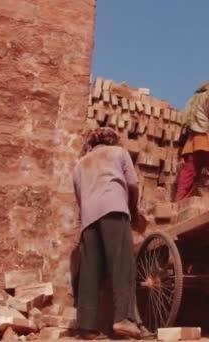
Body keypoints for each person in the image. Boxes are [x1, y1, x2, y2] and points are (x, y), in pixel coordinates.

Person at [72, 127, 149, 340]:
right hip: (114, 209)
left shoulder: (80, 164)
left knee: (90, 270)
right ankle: (123, 319)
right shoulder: (118, 153)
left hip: (89, 218)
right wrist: (133, 211)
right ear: (112, 140)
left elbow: (79, 197)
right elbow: (132, 184)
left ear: (91, 143)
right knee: (122, 265)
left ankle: (86, 326)